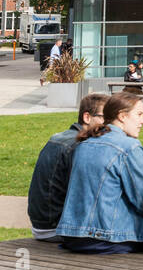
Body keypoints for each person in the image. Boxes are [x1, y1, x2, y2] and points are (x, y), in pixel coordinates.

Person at [56, 92, 143, 253]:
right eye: (139, 114)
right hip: (106, 237)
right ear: (122, 116)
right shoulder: (129, 147)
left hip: (72, 236)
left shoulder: (84, 144)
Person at [27, 92, 108, 241]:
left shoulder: (60, 137)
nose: (108, 125)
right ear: (87, 117)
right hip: (57, 227)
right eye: (104, 118)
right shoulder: (79, 146)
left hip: (42, 224)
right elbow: (86, 195)